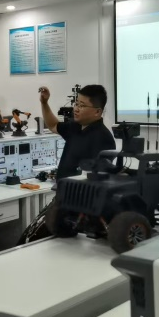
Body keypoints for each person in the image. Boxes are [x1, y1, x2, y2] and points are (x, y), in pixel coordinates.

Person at [18, 84, 116, 244]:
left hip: (79, 206)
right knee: (29, 239)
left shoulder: (104, 138)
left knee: (41, 241)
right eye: (76, 103)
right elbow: (52, 125)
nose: (76, 108)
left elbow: (96, 180)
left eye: (82, 105)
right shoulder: (75, 128)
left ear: (97, 112)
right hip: (62, 200)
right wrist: (44, 103)